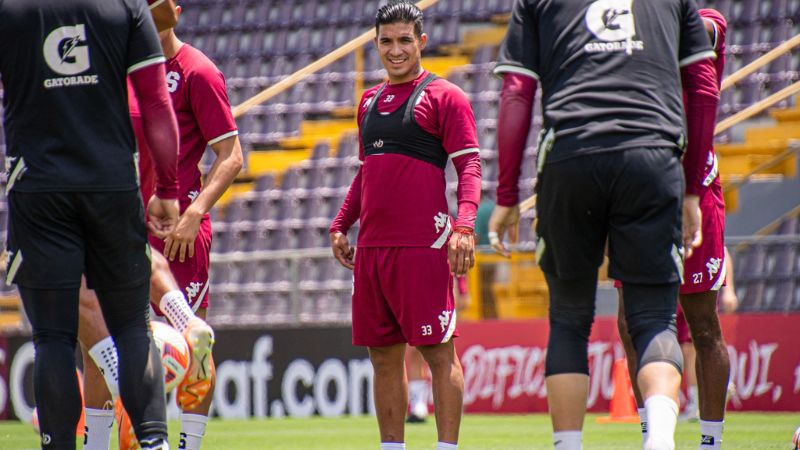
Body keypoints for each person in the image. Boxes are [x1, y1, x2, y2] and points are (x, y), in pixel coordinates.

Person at [488, 0, 716, 448]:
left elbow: (517, 89)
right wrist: (692, 189)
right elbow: (704, 87)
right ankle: (660, 441)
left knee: (570, 319)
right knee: (654, 319)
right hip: (652, 154)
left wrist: (507, 195)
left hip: (572, 153)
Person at [0, 0, 180, 448]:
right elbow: (157, 104)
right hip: (113, 186)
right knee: (133, 327)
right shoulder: (126, 5)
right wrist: (169, 190)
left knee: (53, 339)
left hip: (38, 188)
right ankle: (154, 442)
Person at [329, 2, 481, 449]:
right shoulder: (368, 101)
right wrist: (342, 223)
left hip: (423, 246)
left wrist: (465, 226)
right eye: (387, 42)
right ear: (376, 43)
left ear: (422, 42)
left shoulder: (445, 96)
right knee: (383, 358)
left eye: (404, 41)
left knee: (438, 352)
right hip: (373, 249)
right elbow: (367, 171)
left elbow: (469, 166)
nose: (395, 51)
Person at [615, 9, 731, 449]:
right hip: (636, 189)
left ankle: (710, 441)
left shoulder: (703, 20)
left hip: (692, 189)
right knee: (630, 321)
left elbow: (705, 29)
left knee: (703, 323)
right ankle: (652, 433)